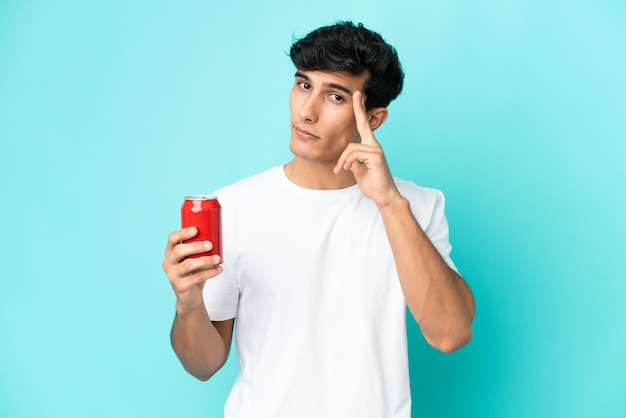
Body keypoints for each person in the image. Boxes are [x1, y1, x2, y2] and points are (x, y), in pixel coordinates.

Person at [163, 21, 475, 418]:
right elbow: (202, 365)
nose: (307, 112)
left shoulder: (416, 205)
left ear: (373, 120)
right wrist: (188, 304)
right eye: (304, 85)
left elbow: (450, 334)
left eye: (336, 96)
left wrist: (389, 204)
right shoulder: (233, 207)